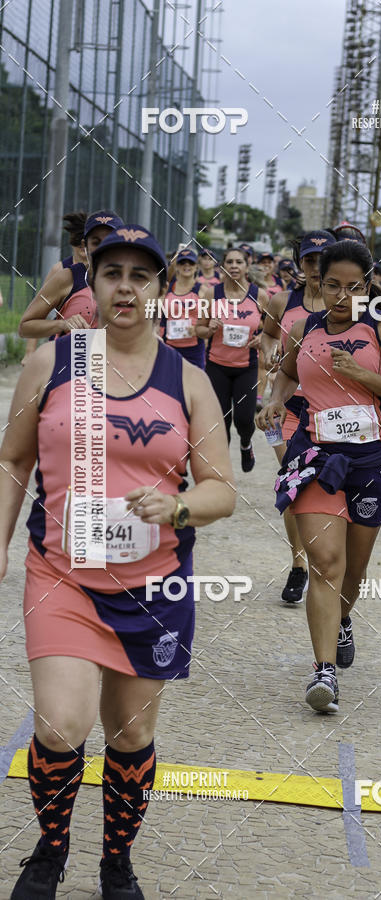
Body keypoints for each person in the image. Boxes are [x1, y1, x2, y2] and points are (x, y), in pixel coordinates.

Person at [2, 224, 235, 898]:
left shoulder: (188, 382)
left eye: (141, 275)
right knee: (59, 723)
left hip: (152, 587)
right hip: (62, 573)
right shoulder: (54, 363)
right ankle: (49, 852)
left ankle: (117, 862)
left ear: (161, 289)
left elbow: (222, 489)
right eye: (112, 274)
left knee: (130, 737)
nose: (126, 286)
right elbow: (12, 458)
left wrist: (181, 507)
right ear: (93, 284)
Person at [257, 240, 381, 712]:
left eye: (353, 286)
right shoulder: (305, 327)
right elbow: (286, 374)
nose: (342, 295)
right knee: (325, 563)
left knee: (354, 566)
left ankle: (343, 618)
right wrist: (275, 401)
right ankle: (322, 670)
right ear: (317, 283)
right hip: (317, 457)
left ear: (367, 286)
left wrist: (363, 377)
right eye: (333, 285)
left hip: (373, 460)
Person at [261, 230, 337, 604]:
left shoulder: (345, 304)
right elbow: (266, 337)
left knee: (325, 487)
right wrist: (270, 354)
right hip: (285, 405)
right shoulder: (280, 301)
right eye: (309, 260)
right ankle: (299, 563)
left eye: (323, 260)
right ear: (300, 263)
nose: (315, 268)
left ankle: (329, 558)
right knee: (293, 484)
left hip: (329, 409)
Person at [204, 247, 268, 471]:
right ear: (222, 266)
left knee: (243, 420)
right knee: (220, 421)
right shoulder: (212, 294)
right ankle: (222, 466)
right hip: (216, 366)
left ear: (246, 266)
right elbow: (198, 330)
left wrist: (262, 337)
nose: (233, 266)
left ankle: (245, 444)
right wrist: (208, 328)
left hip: (246, 367)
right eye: (229, 262)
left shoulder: (259, 295)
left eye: (238, 262)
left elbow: (273, 329)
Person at [18, 211, 124, 341]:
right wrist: (62, 324)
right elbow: (25, 327)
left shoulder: (135, 285)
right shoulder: (68, 278)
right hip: (68, 359)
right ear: (85, 246)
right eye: (96, 242)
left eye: (109, 241)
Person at [21, 211, 89, 365]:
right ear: (73, 244)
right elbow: (38, 312)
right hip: (62, 343)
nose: (83, 250)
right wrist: (30, 353)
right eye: (79, 245)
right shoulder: (59, 270)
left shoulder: (102, 274)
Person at [160, 248, 210, 369]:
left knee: (194, 386)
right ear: (176, 266)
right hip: (168, 347)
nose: (186, 266)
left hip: (194, 350)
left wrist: (199, 329)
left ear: (196, 266)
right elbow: (159, 317)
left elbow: (212, 320)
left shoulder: (203, 291)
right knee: (168, 385)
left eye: (191, 263)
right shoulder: (167, 290)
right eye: (182, 263)